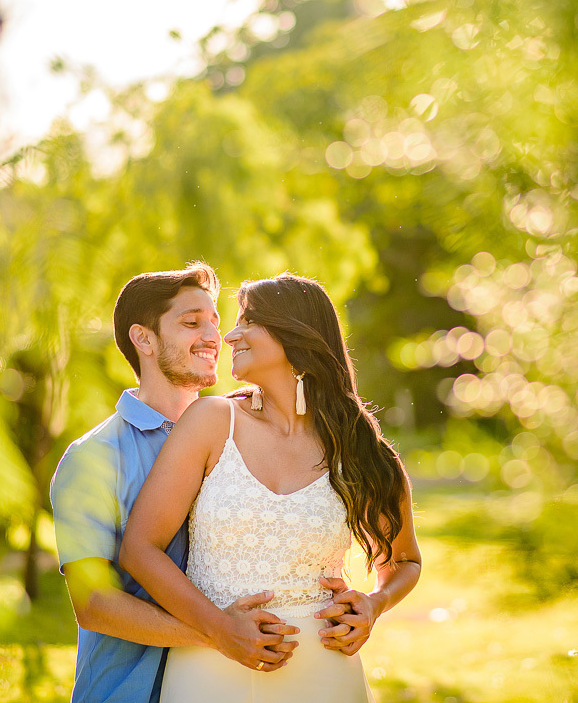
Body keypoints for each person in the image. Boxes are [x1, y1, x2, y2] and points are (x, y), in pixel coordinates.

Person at [120, 272, 422, 702]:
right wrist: (219, 628)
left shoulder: (359, 448)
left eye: (248, 321)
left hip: (326, 673)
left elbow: (405, 560)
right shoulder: (211, 422)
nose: (229, 336)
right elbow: (139, 549)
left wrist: (374, 604)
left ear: (295, 332)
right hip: (209, 669)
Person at [50, 264, 299, 703]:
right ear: (144, 339)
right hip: (129, 692)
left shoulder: (240, 433)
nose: (214, 337)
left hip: (232, 686)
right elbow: (93, 604)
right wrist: (218, 632)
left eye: (215, 322)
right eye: (191, 323)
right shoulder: (93, 458)